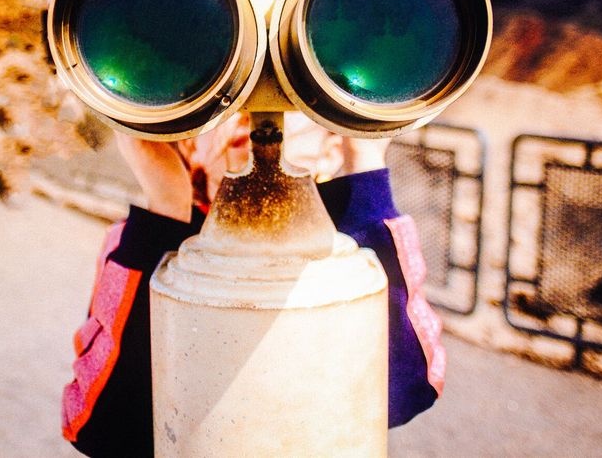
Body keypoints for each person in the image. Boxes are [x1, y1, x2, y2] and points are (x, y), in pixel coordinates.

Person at [61, 113, 445, 457]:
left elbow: (408, 386)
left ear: (330, 149)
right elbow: (98, 425)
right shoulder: (138, 247)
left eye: (288, 101)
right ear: (186, 144)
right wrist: (166, 208)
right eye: (225, 104)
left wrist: (365, 169)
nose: (252, 116)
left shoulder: (355, 244)